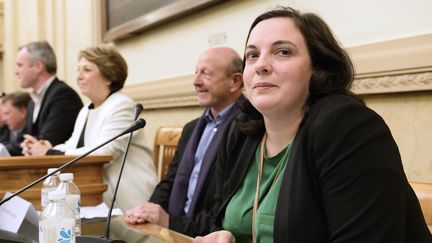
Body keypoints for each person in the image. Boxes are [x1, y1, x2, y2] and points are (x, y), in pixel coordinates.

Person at [195, 6, 432, 243]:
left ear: (318, 68)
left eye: (283, 52)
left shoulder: (347, 127)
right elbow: (219, 216)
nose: (261, 65)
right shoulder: (239, 131)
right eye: (252, 55)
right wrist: (223, 235)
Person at [124, 47, 244, 236]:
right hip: (172, 231)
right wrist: (149, 210)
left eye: (205, 73)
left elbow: (226, 212)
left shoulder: (245, 129)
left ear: (235, 81)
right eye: (196, 72)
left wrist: (170, 221)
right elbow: (170, 182)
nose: (195, 81)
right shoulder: (191, 128)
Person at [23, 45, 157, 211]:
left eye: (86, 70)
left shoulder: (122, 106)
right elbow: (71, 146)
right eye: (78, 69)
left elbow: (104, 154)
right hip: (96, 194)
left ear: (109, 76)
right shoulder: (87, 109)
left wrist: (49, 153)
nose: (78, 77)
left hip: (126, 200)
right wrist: (43, 147)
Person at [16, 41, 83, 156]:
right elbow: (21, 139)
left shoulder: (63, 95)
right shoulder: (33, 100)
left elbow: (47, 143)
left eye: (20, 65)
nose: (16, 72)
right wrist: (27, 145)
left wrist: (31, 145)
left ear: (38, 66)